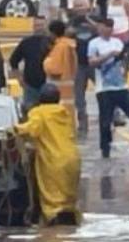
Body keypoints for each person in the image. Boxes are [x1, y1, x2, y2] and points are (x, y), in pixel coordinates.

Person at [11, 83, 81, 226]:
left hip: (52, 161)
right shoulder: (64, 113)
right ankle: (70, 220)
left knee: (53, 198)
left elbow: (32, 129)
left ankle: (53, 223)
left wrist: (14, 129)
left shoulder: (39, 113)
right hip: (72, 159)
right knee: (68, 197)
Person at [88, 18, 129, 158]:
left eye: (110, 27)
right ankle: (105, 148)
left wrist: (125, 68)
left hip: (121, 87)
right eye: (104, 27)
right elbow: (92, 62)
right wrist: (110, 55)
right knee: (105, 121)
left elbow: (125, 56)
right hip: (104, 89)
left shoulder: (117, 42)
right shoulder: (94, 44)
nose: (107, 30)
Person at [67, 0, 97, 135]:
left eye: (82, 5)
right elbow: (65, 35)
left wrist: (88, 20)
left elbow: (101, 30)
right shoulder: (71, 22)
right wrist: (71, 30)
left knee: (104, 91)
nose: (79, 9)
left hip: (95, 62)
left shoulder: (95, 18)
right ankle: (82, 122)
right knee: (79, 95)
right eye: (77, 6)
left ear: (88, 6)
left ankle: (113, 116)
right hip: (78, 64)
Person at [10, 16, 49, 114]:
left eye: (41, 25)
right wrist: (19, 78)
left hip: (48, 84)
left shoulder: (51, 42)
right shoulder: (26, 42)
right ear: (33, 27)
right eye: (37, 25)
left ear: (46, 26)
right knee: (30, 113)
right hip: (30, 85)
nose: (39, 28)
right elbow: (13, 61)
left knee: (47, 113)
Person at [43, 20, 78, 115]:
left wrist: (46, 62)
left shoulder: (60, 47)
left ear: (53, 33)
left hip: (59, 93)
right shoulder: (69, 45)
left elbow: (55, 70)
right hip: (67, 93)